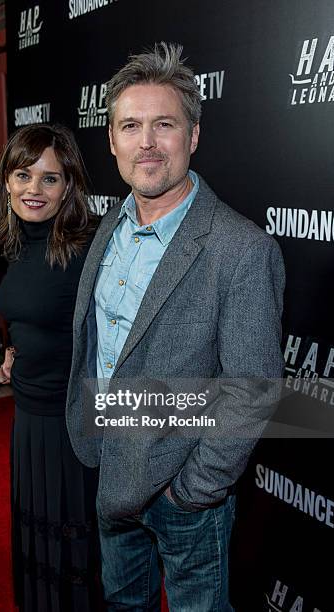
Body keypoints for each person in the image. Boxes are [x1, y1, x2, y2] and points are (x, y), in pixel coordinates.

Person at [66, 42, 285, 611]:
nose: (146, 142)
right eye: (130, 125)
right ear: (111, 139)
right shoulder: (107, 227)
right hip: (109, 471)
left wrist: (192, 490)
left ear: (192, 137)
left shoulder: (241, 250)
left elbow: (252, 389)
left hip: (183, 494)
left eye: (164, 124)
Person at [0, 124, 101, 612]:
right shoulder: (18, 241)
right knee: (36, 541)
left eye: (49, 179)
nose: (33, 190)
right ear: (7, 181)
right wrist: (14, 352)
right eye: (22, 175)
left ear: (69, 186)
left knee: (71, 548)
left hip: (68, 426)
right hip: (27, 418)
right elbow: (32, 312)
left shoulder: (89, 250)